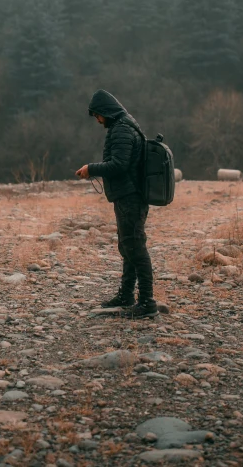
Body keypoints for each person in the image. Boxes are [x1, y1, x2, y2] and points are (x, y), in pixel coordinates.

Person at [76, 89, 157, 319]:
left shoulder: (121, 129)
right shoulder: (125, 124)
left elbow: (119, 165)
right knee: (128, 245)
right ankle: (127, 296)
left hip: (130, 197)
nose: (97, 120)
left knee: (135, 247)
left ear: (105, 112)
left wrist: (91, 169)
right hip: (130, 195)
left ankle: (147, 303)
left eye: (97, 115)